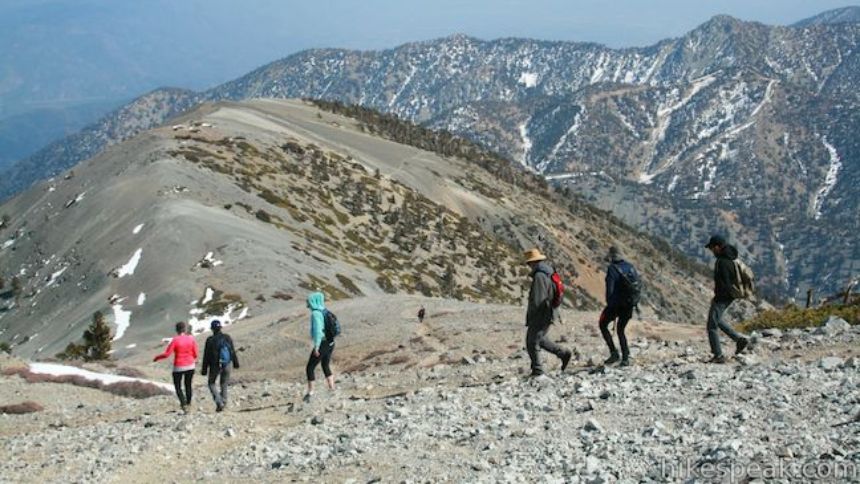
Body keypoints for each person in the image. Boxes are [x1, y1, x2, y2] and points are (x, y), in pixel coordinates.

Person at [523, 248, 572, 376]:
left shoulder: (539, 276)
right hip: (549, 311)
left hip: (542, 313)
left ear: (532, 263)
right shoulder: (548, 272)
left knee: (532, 341)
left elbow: (538, 299)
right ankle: (563, 354)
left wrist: (532, 315)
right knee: (541, 339)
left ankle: (537, 370)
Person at [704, 235, 750, 363]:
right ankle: (739, 340)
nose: (711, 251)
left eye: (712, 248)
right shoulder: (731, 258)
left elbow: (723, 283)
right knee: (717, 320)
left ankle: (718, 355)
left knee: (711, 325)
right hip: (730, 295)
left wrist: (717, 298)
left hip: (723, 296)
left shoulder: (722, 261)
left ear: (717, 247)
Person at [599, 246, 639, 367]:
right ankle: (625, 357)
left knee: (602, 324)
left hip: (616, 305)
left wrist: (610, 305)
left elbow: (609, 289)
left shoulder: (612, 269)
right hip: (629, 304)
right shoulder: (630, 267)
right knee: (621, 330)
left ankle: (614, 353)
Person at [153, 321, 199, 413]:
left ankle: (183, 404)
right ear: (185, 329)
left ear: (177, 330)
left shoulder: (175, 340)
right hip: (190, 365)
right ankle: (189, 404)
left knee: (178, 386)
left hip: (179, 366)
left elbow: (167, 354)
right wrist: (191, 358)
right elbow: (196, 354)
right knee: (188, 385)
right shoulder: (191, 339)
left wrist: (157, 358)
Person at [201, 320, 240, 412]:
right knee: (224, 383)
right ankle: (224, 402)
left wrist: (204, 369)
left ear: (212, 329)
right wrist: (235, 363)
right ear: (220, 328)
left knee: (211, 383)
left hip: (214, 365)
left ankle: (219, 402)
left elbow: (206, 356)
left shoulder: (210, 340)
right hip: (227, 363)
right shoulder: (227, 337)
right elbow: (232, 351)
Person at [304, 292, 336, 402]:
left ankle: (310, 393)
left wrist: (316, 347)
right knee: (325, 365)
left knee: (310, 367)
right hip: (331, 342)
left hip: (322, 343)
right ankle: (332, 389)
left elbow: (318, 332)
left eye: (308, 302)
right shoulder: (325, 311)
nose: (307, 304)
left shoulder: (315, 314)